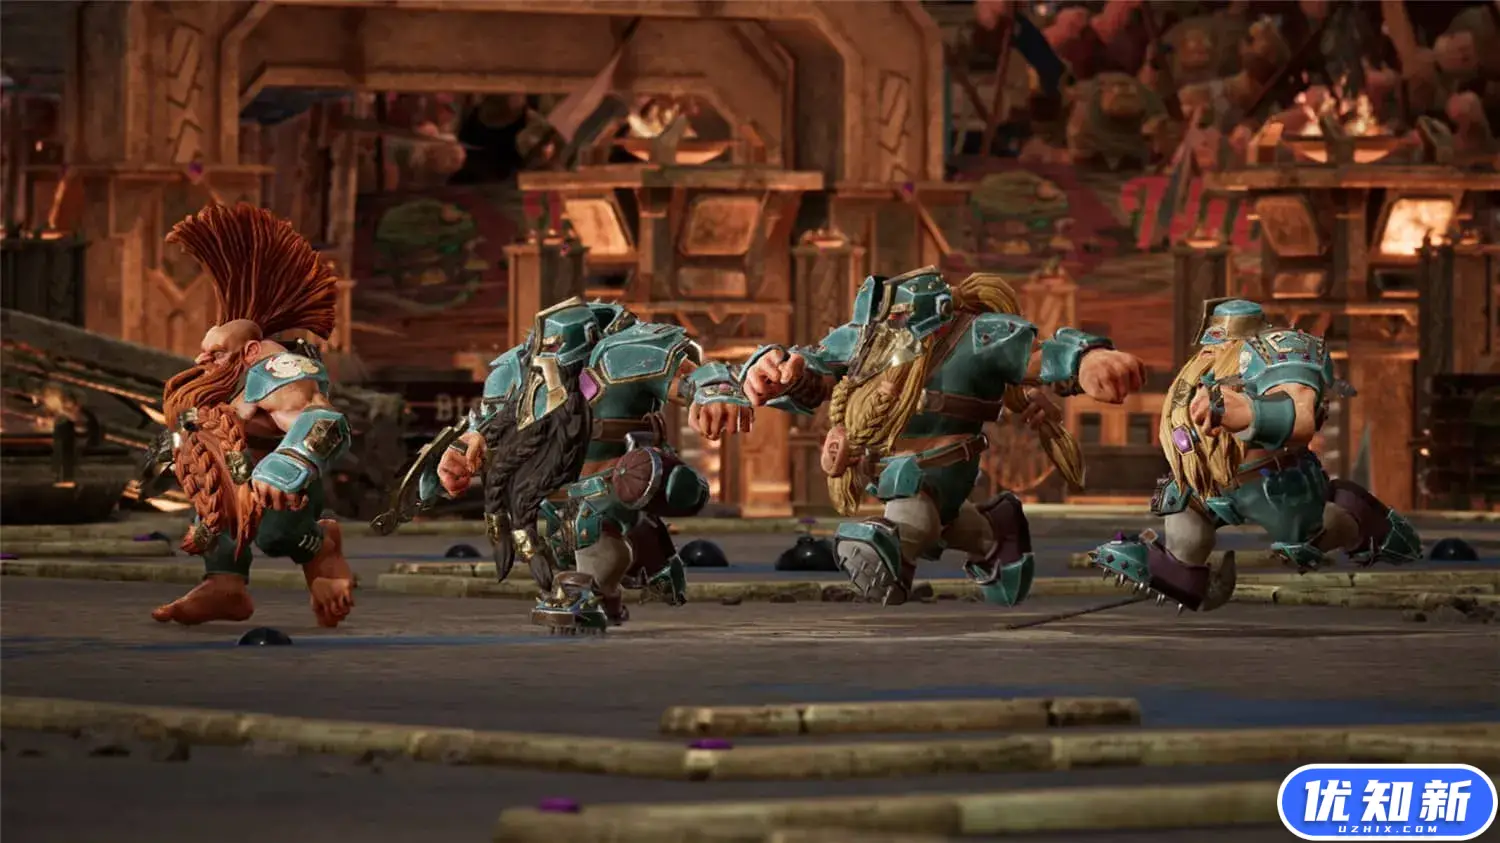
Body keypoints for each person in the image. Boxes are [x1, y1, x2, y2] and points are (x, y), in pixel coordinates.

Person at [740, 267, 1148, 607]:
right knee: (945, 523)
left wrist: (1089, 359)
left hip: (939, 467)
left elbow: (1041, 354)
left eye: (894, 324)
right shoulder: (866, 337)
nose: (883, 337)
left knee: (910, 517)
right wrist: (776, 372)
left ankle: (896, 549)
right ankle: (994, 535)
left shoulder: (975, 336)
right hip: (881, 470)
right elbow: (815, 366)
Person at [429, 296, 753, 633]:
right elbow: (487, 423)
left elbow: (689, 377)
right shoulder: (520, 372)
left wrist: (713, 390)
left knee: (588, 526)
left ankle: (598, 582)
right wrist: (462, 449)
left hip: (620, 475)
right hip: (551, 486)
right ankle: (624, 571)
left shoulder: (619, 356)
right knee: (558, 543)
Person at [1087, 299, 1422, 612]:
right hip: (1203, 479)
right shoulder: (1206, 357)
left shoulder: (1279, 348)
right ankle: (1182, 571)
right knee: (1184, 532)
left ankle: (1360, 517)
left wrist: (1249, 411)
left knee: (1304, 541)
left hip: (1270, 481)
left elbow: (1300, 416)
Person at [150, 203, 356, 627]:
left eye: (216, 353)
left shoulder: (278, 372)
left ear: (250, 351)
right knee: (214, 509)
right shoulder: (218, 380)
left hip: (284, 486)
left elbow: (323, 420)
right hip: (236, 474)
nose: (202, 360)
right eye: (205, 351)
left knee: (276, 534)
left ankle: (321, 546)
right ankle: (224, 585)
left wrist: (287, 465)